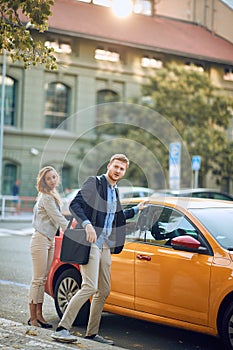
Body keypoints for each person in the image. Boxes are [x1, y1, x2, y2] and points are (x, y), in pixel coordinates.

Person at [51, 154, 148, 344]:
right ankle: (62, 328)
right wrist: (86, 224)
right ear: (109, 166)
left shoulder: (115, 191)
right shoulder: (94, 183)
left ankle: (92, 333)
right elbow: (75, 204)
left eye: (122, 169)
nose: (118, 171)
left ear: (124, 172)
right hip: (91, 242)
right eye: (116, 166)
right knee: (90, 286)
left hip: (105, 244)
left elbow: (117, 216)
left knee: (104, 290)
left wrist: (137, 210)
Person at [28, 166, 69, 328]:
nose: (52, 180)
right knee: (37, 280)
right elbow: (58, 218)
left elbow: (59, 217)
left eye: (53, 177)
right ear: (43, 181)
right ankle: (32, 318)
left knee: (43, 279)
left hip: (49, 240)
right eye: (48, 178)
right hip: (40, 240)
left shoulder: (52, 195)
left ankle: (39, 315)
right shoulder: (46, 197)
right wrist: (74, 230)